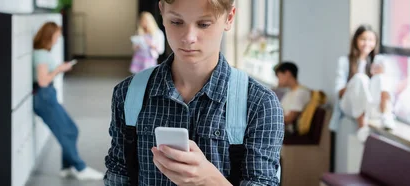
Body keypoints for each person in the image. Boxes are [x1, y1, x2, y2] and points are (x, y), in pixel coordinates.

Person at [104, 0, 284, 185]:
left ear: (229, 18)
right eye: (176, 22)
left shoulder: (259, 103)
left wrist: (209, 179)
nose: (188, 37)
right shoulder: (128, 93)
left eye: (204, 24)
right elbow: (118, 175)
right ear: (162, 12)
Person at [31, 22, 104, 180]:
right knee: (67, 131)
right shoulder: (41, 54)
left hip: (47, 95)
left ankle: (67, 167)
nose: (58, 39)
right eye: (56, 36)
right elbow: (43, 81)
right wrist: (59, 69)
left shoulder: (42, 53)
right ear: (48, 36)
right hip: (44, 97)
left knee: (71, 129)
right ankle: (80, 168)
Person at [330, 25, 396, 141]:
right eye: (363, 39)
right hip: (350, 105)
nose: (367, 43)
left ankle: (387, 114)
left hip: (370, 105)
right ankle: (362, 127)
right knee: (360, 78)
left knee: (381, 77)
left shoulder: (379, 61)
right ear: (356, 40)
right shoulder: (345, 61)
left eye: (371, 40)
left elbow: (387, 86)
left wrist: (379, 74)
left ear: (375, 42)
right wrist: (356, 85)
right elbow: (339, 92)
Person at [274, 62, 311, 135]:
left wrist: (269, 120)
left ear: (287, 74)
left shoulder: (301, 92)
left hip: (288, 131)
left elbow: (290, 118)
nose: (278, 81)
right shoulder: (290, 92)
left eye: (279, 77)